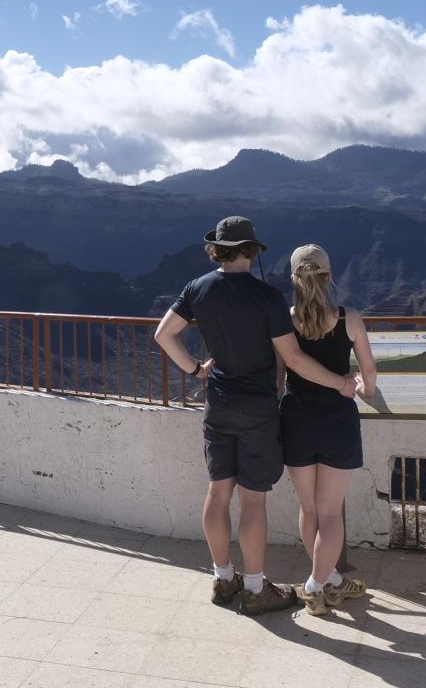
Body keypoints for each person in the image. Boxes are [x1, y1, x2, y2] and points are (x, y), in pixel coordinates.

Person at [155, 217, 361, 616]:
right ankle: (254, 588)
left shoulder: (196, 289)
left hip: (218, 401)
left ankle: (222, 577)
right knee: (252, 499)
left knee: (217, 493)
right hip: (259, 408)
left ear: (217, 249)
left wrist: (197, 370)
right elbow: (295, 358)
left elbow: (164, 334)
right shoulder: (266, 298)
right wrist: (339, 383)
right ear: (252, 250)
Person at [278, 243, 376, 616]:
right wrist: (360, 388)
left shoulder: (285, 321)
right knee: (331, 513)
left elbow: (282, 372)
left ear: (294, 279)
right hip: (337, 418)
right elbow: (368, 373)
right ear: (329, 275)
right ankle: (316, 585)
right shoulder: (348, 317)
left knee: (310, 510)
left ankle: (329, 579)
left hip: (296, 417)